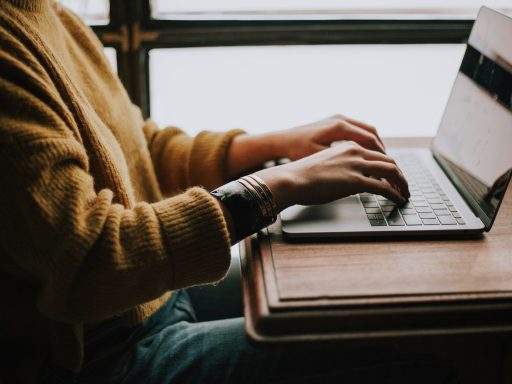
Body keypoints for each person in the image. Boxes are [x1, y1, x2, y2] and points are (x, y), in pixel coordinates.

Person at [0, 1, 458, 383]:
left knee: (381, 301)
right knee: (407, 357)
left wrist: (274, 145)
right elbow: (90, 261)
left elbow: (137, 149)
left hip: (150, 296)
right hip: (99, 353)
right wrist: (277, 185)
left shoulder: (48, 12)